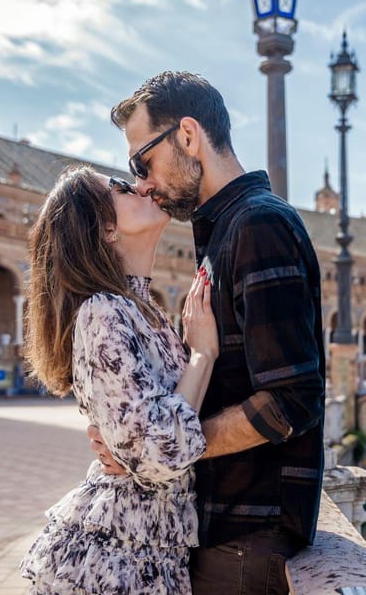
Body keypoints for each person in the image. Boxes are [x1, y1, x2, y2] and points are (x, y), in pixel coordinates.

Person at [98, 71, 326, 594]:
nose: (144, 182)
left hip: (249, 534)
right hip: (227, 527)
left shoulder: (257, 226)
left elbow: (292, 400)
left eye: (143, 161)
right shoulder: (225, 230)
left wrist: (169, 446)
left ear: (187, 134)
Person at [19, 165, 217, 594]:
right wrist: (203, 354)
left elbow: (144, 434)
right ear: (106, 230)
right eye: (125, 188)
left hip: (143, 549)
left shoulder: (141, 310)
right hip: (120, 560)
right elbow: (158, 454)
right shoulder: (104, 311)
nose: (145, 187)